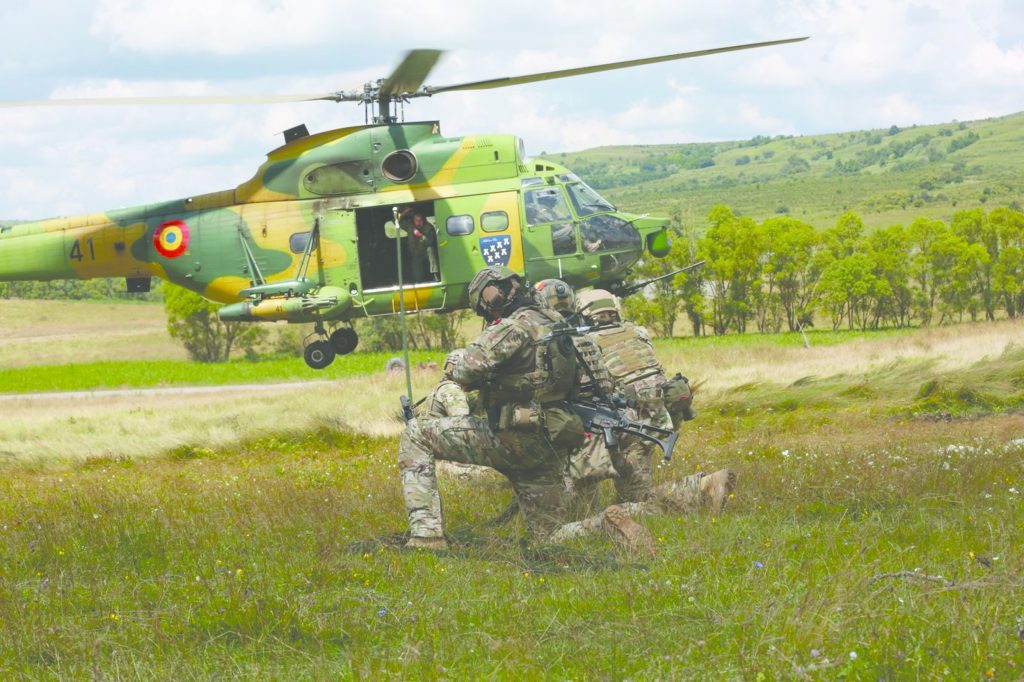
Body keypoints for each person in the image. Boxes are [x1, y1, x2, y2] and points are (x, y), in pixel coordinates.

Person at [397, 266, 655, 554]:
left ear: (497, 293)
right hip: (548, 445)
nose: (487, 309)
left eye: (485, 302)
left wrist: (457, 364)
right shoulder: (558, 323)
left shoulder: (513, 327)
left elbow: (465, 370)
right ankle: (604, 524)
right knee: (548, 537)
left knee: (416, 434)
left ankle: (426, 537)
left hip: (507, 439)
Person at [574, 288, 736, 515]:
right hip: (660, 414)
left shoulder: (585, 342)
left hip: (629, 420)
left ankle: (702, 487)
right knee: (631, 491)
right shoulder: (638, 331)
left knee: (636, 500)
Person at [399, 206, 439, 282]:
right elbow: (396, 221)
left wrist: (420, 235)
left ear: (423, 220)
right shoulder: (410, 226)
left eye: (420, 220)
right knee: (416, 265)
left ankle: (435, 274)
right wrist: (404, 212)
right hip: (415, 252)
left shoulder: (429, 227)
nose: (418, 222)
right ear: (413, 220)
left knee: (431, 250)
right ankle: (418, 280)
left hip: (425, 251)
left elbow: (431, 241)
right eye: (416, 220)